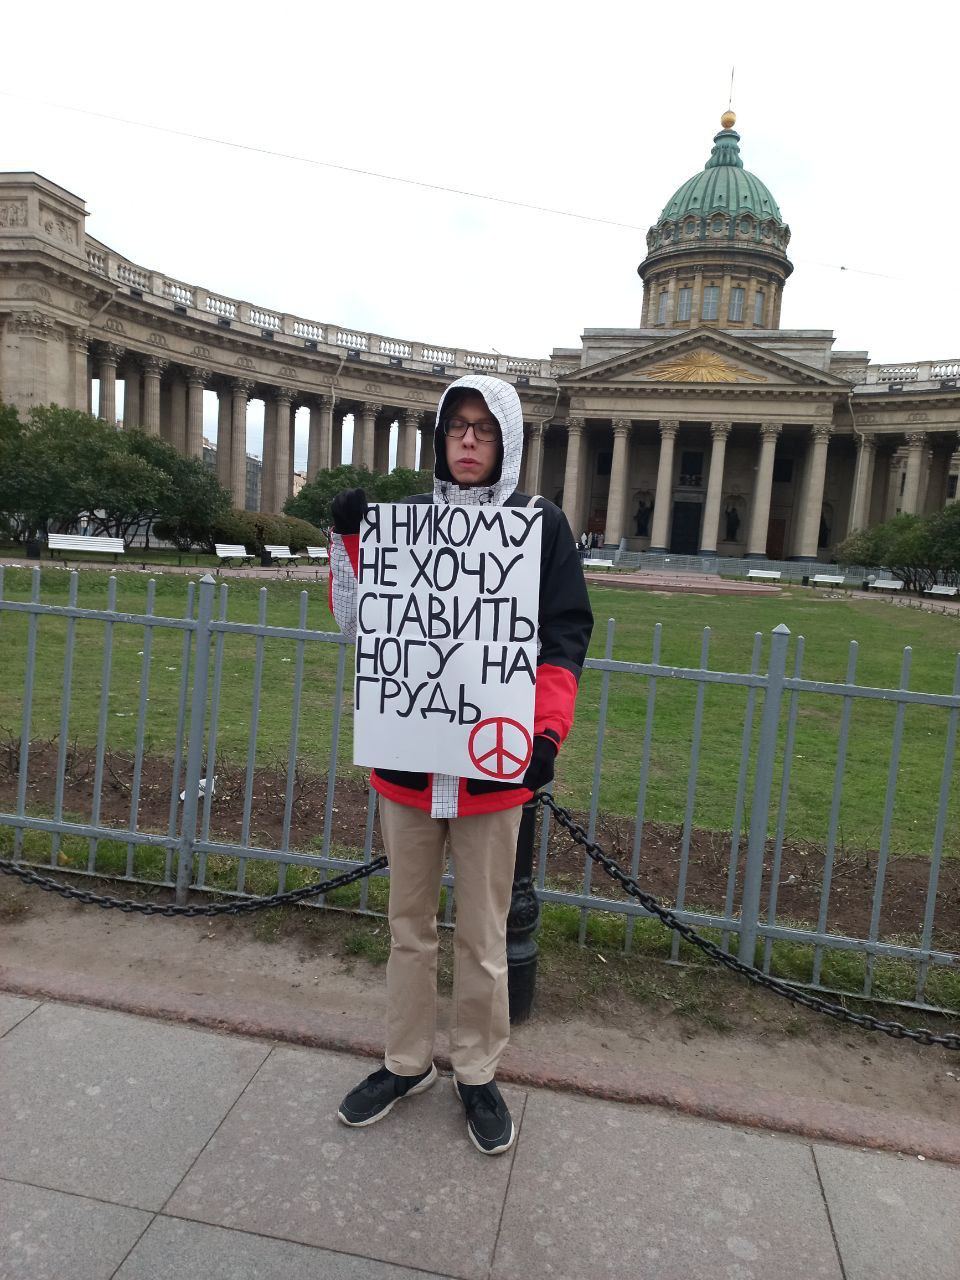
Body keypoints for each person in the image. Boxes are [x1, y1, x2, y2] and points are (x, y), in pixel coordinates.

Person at [328, 375, 593, 1155]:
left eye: (483, 428)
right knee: (407, 927)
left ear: (505, 440)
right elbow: (353, 622)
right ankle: (406, 1061)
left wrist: (546, 734)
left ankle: (477, 1070)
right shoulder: (405, 525)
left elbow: (563, 635)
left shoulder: (538, 527)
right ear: (440, 439)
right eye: (456, 429)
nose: (468, 441)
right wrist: (348, 541)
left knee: (482, 933)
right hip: (408, 767)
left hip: (490, 770)